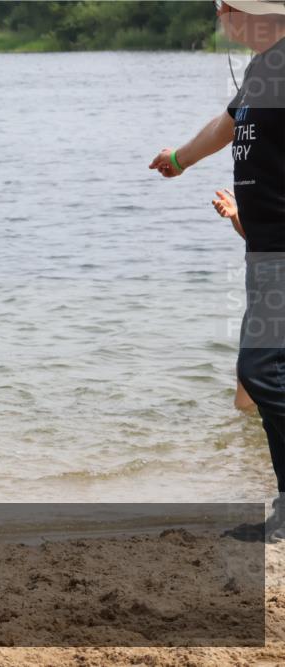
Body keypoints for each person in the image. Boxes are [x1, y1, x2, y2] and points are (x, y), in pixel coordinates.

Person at [150, 0, 285, 538]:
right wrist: (181, 159)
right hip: (264, 250)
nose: (218, 18)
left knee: (260, 373)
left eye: (221, 8)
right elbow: (228, 124)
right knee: (265, 373)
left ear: (239, 12)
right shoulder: (263, 68)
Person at [212, 188, 259, 412]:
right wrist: (235, 216)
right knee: (247, 373)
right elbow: (258, 242)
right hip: (261, 300)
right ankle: (244, 440)